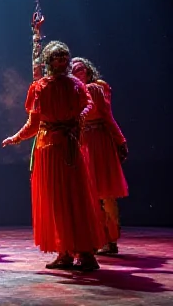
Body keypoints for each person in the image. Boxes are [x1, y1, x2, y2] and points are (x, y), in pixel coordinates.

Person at [2, 41, 104, 272]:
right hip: (49, 150)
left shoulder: (77, 85)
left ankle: (86, 252)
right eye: (57, 58)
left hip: (68, 148)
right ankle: (64, 252)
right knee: (56, 202)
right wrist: (16, 138)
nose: (62, 61)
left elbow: (87, 107)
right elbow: (34, 123)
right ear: (49, 61)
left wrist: (77, 120)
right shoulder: (40, 87)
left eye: (64, 57)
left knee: (76, 198)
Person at [71, 56, 128, 256]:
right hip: (84, 142)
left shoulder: (97, 88)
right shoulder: (73, 91)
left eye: (82, 68)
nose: (80, 72)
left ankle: (111, 240)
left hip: (100, 142)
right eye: (75, 69)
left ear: (88, 70)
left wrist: (120, 140)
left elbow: (108, 116)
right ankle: (98, 238)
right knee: (90, 195)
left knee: (106, 192)